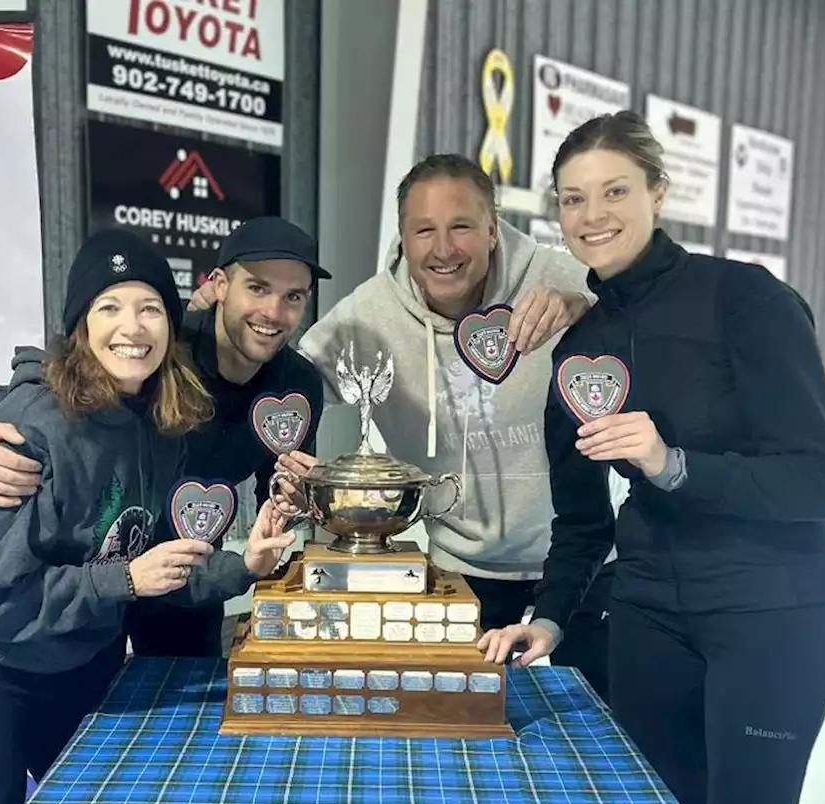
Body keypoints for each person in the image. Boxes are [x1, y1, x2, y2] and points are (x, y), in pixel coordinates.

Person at [477, 111, 825, 804]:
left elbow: (819, 482)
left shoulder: (747, 299)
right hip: (647, 617)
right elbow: (582, 518)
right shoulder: (582, 344)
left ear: (659, 193)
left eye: (615, 192)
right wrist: (549, 616)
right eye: (573, 198)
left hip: (768, 615)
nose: (592, 215)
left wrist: (670, 465)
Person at [0, 229, 296, 804]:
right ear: (80, 325)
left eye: (150, 309)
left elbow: (153, 570)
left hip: (82, 663)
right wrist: (124, 579)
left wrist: (244, 565)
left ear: (171, 326)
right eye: (109, 307)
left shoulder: (162, 421)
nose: (133, 326)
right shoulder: (29, 427)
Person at [203, 154, 614, 699]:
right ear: (402, 238)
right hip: (461, 572)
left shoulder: (559, 276)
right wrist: (196, 333)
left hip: (580, 565)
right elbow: (279, 369)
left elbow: (645, 308)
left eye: (461, 227)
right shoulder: (367, 315)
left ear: (493, 229)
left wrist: (583, 302)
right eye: (425, 231)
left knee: (585, 739)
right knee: (466, 735)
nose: (444, 250)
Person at [0, 217, 328, 658]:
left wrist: (298, 501)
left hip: (185, 568)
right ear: (220, 285)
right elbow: (50, 383)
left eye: (293, 297)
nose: (273, 313)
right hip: (91, 568)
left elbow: (278, 494)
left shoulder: (299, 384)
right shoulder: (161, 345)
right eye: (257, 288)